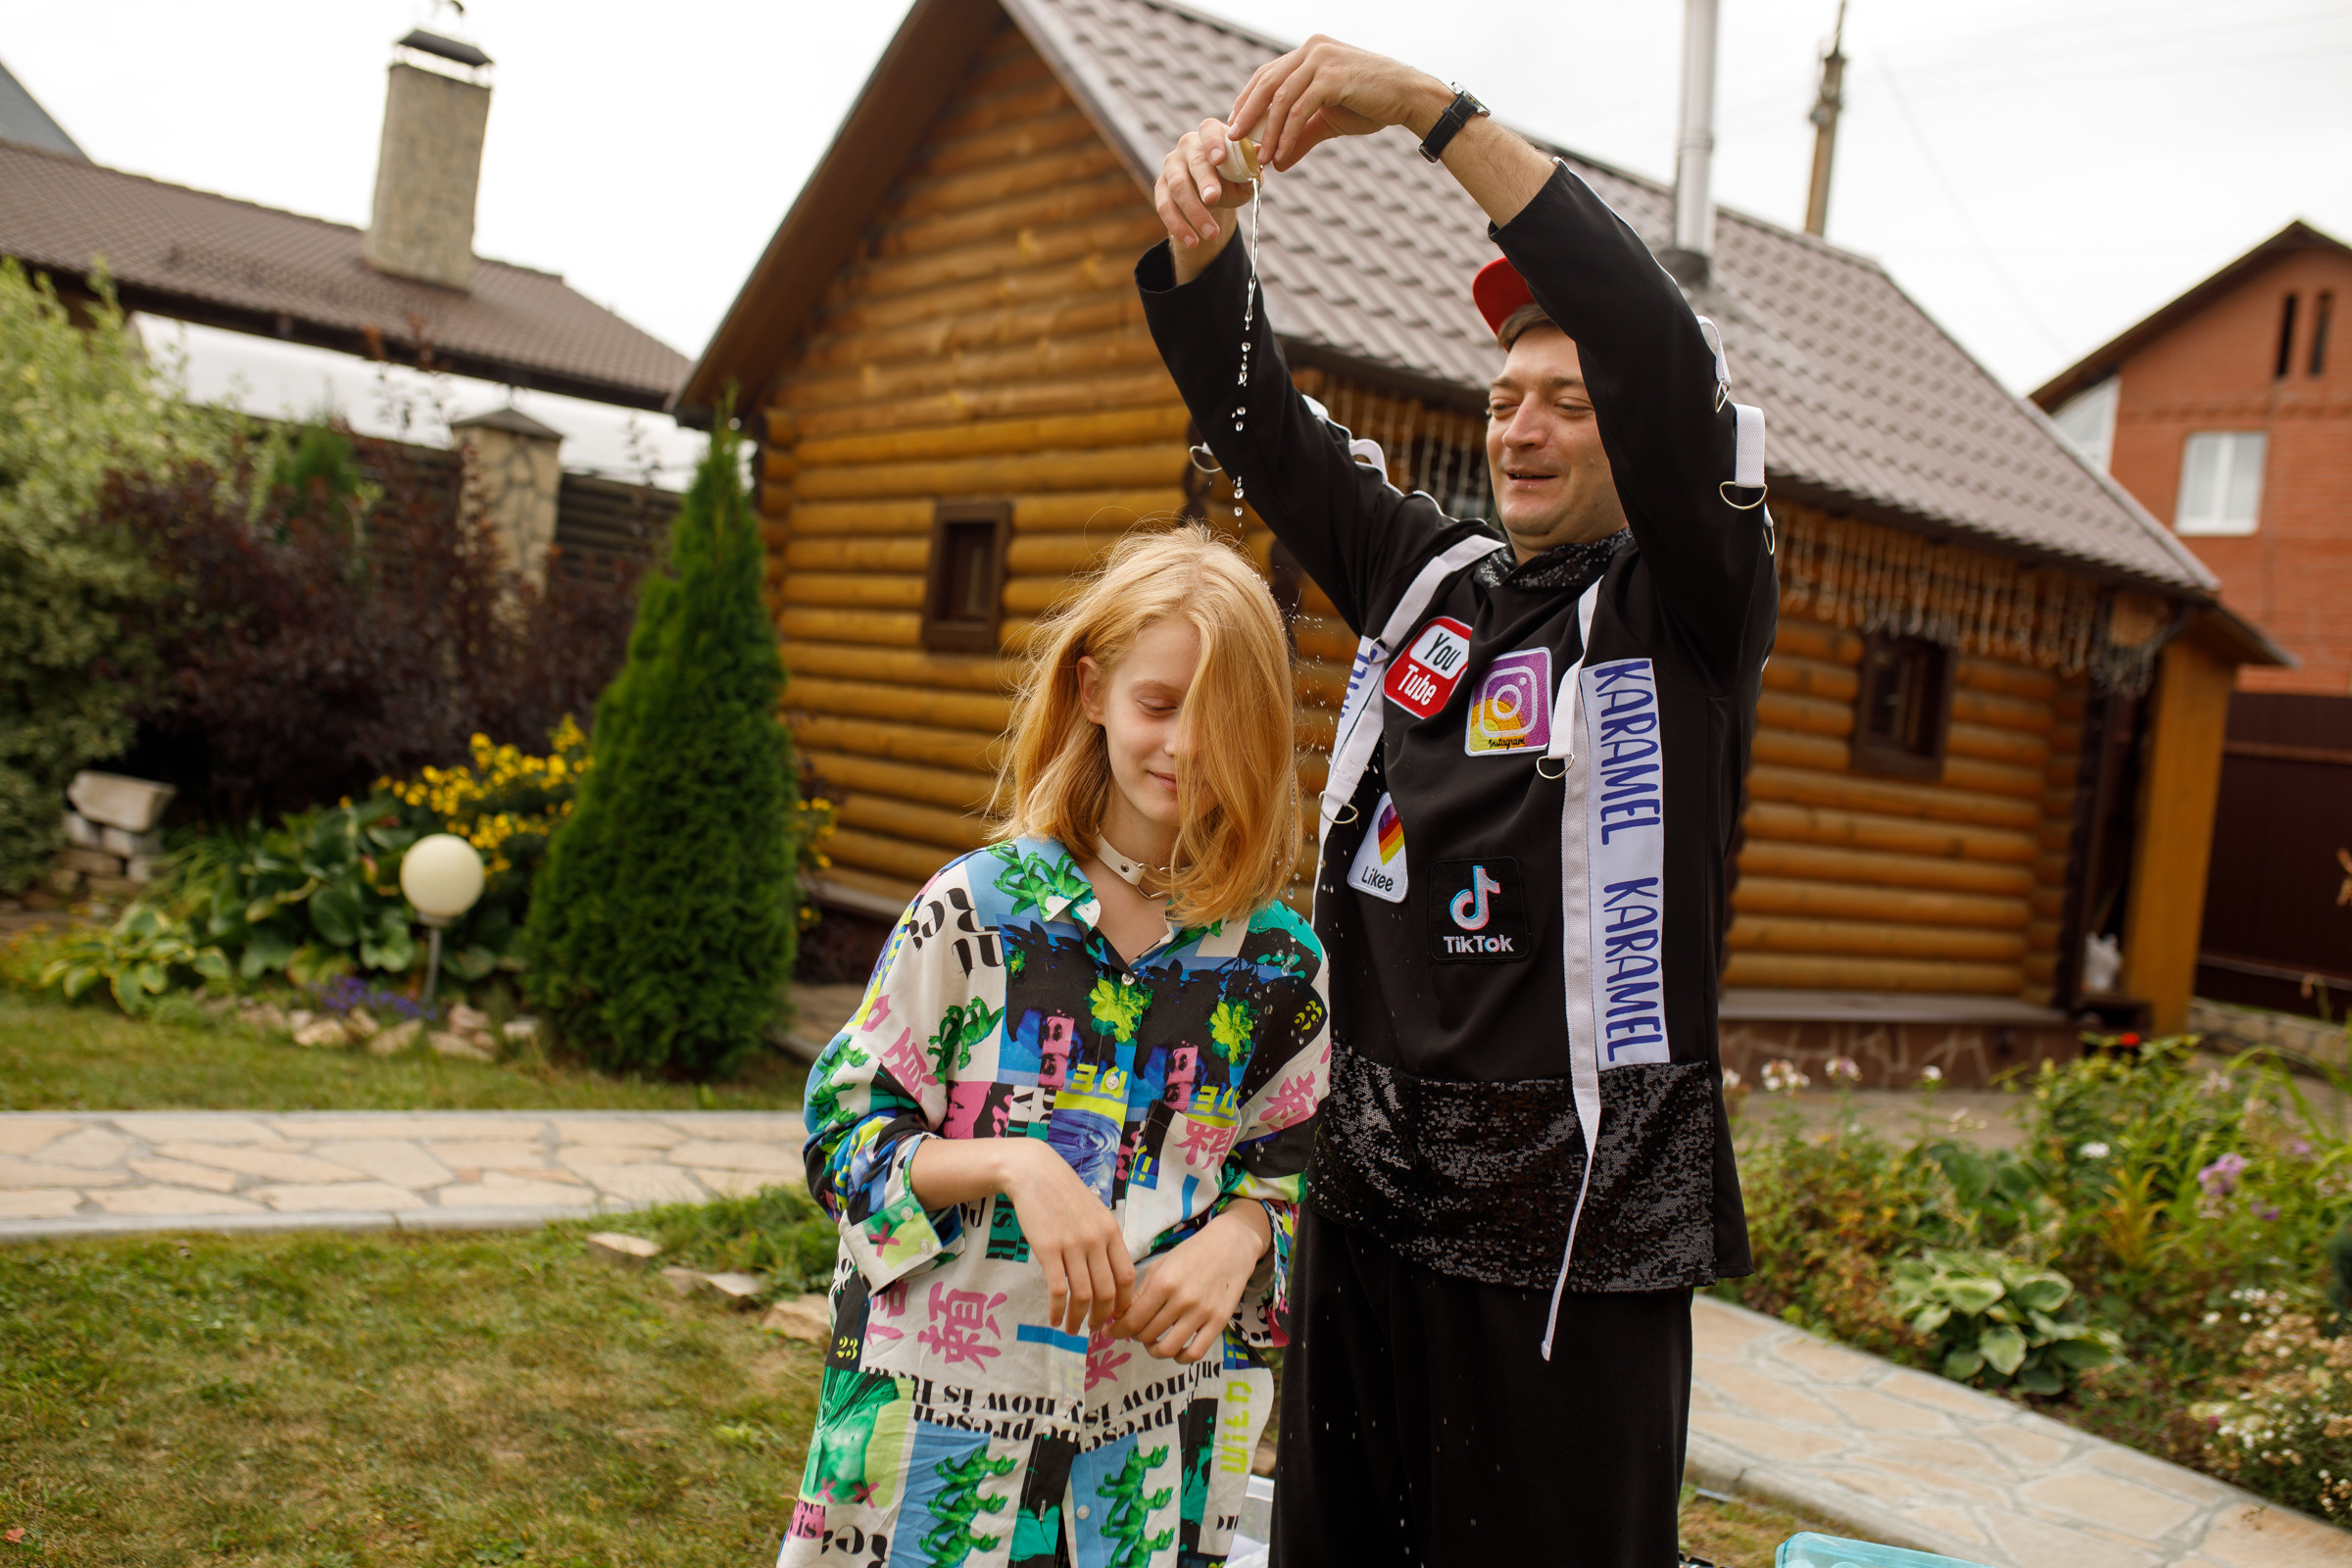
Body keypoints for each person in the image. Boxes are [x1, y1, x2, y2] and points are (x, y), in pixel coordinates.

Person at [1135, 36, 1776, 1568]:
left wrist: (1430, 114)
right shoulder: (1430, 579)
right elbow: (1263, 431)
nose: (1523, 426)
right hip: (1370, 1190)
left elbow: (1652, 338)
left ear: (1640, 431)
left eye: (1567, 398)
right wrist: (1205, 256)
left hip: (1577, 1232)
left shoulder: (1694, 605)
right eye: (1504, 397)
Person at [786, 525, 1332, 1568]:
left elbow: (1316, 1168)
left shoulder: (1281, 971)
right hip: (935, 1438)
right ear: (1092, 692)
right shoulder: (973, 914)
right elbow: (839, 1137)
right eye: (1159, 705)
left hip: (1146, 1450)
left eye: (1221, 719)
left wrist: (1248, 1235)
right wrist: (1013, 1161)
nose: (1185, 747)